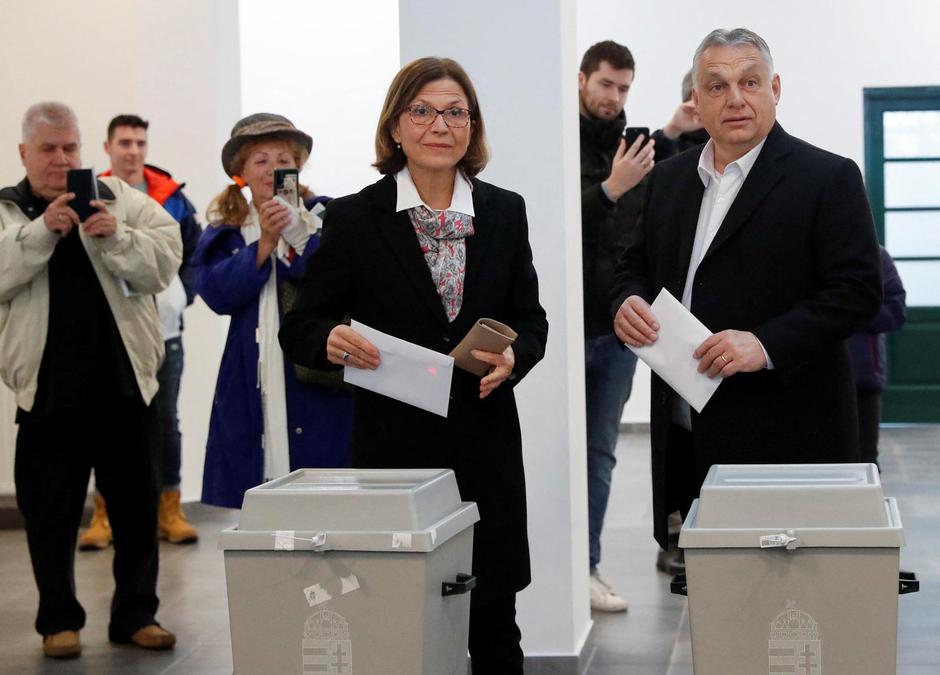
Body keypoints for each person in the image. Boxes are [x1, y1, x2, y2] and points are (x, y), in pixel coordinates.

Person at [279, 57, 548, 673]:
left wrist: (516, 355)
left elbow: (531, 320)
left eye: (456, 112)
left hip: (485, 446)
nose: (440, 124)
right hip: (393, 455)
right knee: (396, 624)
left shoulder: (505, 211)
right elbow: (301, 325)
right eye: (422, 110)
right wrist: (331, 340)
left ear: (472, 127)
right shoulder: (352, 218)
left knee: (493, 625)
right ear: (395, 127)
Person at [611, 28, 882, 552]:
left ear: (774, 88)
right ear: (696, 99)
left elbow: (857, 291)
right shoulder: (668, 181)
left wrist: (765, 344)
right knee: (714, 603)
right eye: (716, 86)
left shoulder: (826, 177)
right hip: (687, 428)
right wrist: (625, 301)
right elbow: (634, 266)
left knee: (789, 617)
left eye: (749, 82)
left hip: (789, 433)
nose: (735, 98)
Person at [0, 102, 181, 658]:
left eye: (70, 148)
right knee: (49, 513)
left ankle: (135, 615)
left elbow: (166, 260)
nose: (62, 159)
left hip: (127, 386)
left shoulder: (118, 198)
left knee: (135, 507)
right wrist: (40, 232)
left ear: (84, 149)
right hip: (48, 391)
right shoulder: (9, 211)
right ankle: (58, 620)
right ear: (25, 153)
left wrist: (116, 237)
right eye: (49, 149)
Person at [577, 40, 699, 612]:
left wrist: (673, 131)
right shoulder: (556, 139)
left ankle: (588, 568)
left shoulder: (641, 144)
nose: (614, 97)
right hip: (561, 326)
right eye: (606, 84)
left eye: (624, 88)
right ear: (582, 80)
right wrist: (608, 190)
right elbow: (545, 222)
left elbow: (653, 217)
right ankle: (557, 567)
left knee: (600, 453)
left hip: (618, 330)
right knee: (554, 451)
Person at [195, 113, 352, 509]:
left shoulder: (327, 217)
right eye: (259, 160)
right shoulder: (227, 229)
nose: (272, 169)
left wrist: (297, 233)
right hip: (251, 373)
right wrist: (264, 243)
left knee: (326, 492)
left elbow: (338, 280)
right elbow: (216, 293)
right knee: (258, 491)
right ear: (241, 172)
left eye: (282, 157)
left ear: (297, 166)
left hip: (313, 371)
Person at [78, 114, 203, 550]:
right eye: (125, 142)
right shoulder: (89, 195)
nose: (133, 150)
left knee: (166, 420)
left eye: (140, 142)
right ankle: (103, 515)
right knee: (103, 421)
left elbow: (194, 252)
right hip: (110, 331)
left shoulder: (171, 197)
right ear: (108, 147)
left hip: (165, 328)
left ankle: (170, 508)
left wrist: (182, 294)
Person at [847, 246, 906, 467]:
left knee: (866, 461)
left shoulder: (877, 256)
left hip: (862, 382)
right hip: (807, 381)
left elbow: (896, 311)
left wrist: (844, 311)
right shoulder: (804, 252)